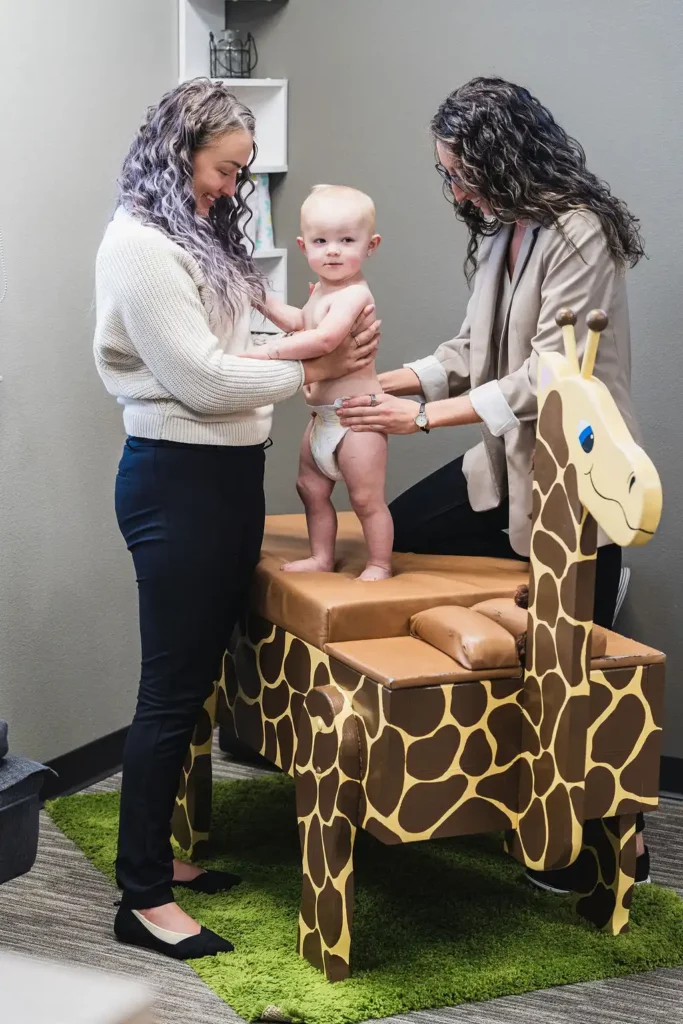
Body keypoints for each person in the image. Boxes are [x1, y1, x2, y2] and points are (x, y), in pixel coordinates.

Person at [338, 76, 650, 892]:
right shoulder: (505, 229)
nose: (455, 191)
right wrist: (383, 385)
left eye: (461, 173)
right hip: (506, 462)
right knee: (396, 536)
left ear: (505, 157)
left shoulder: (578, 231)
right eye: (446, 174)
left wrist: (418, 420)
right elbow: (468, 351)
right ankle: (484, 778)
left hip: (575, 472)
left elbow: (549, 373)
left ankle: (614, 845)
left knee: (573, 669)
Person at [93, 78, 380, 960]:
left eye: (240, 171)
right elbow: (205, 380)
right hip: (176, 481)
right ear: (179, 153)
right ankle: (142, 898)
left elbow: (232, 351)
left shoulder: (193, 232)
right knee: (169, 691)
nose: (232, 186)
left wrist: (298, 352)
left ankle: (157, 861)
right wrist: (317, 365)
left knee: (191, 685)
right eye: (224, 168)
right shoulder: (141, 245)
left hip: (222, 477)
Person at [242, 184, 392, 581]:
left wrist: (266, 352)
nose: (333, 251)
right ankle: (321, 557)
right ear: (303, 245)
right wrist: (260, 299)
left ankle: (379, 563)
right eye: (321, 241)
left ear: (371, 245)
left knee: (366, 499)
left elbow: (324, 340)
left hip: (357, 418)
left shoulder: (354, 294)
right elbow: (301, 322)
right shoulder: (323, 292)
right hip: (323, 418)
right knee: (310, 489)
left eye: (347, 241)